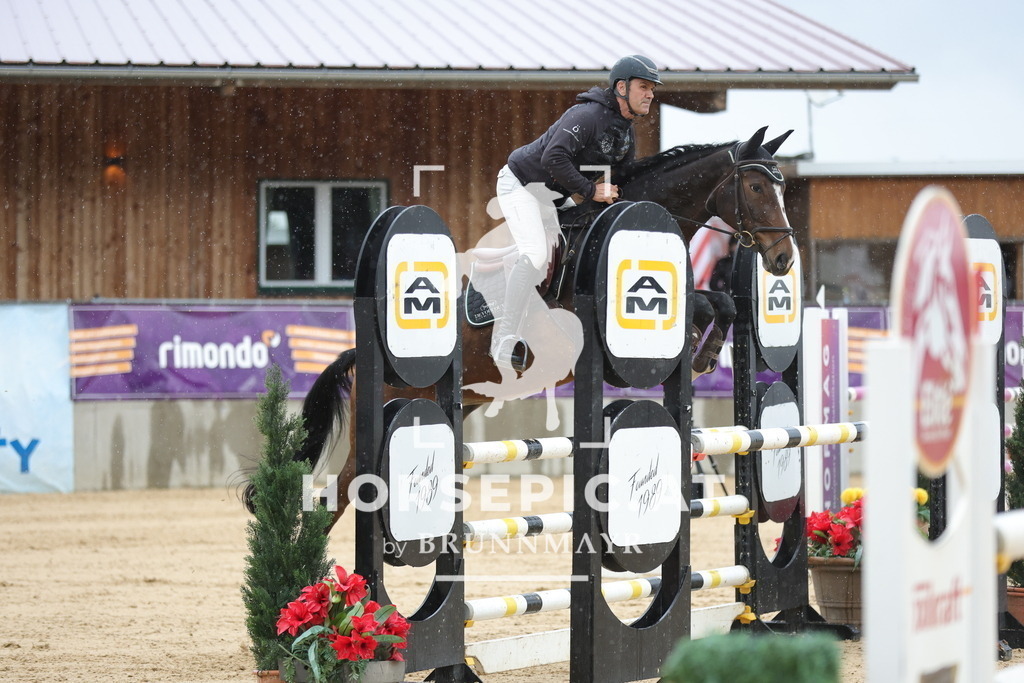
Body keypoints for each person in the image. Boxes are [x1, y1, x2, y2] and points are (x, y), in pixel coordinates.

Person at [491, 54, 661, 371]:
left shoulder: (625, 132)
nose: (650, 93)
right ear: (621, 87)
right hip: (521, 186)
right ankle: (504, 338)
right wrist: (591, 190)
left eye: (652, 88)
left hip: (556, 196)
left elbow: (623, 179)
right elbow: (554, 158)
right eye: (643, 86)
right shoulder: (587, 115)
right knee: (536, 253)